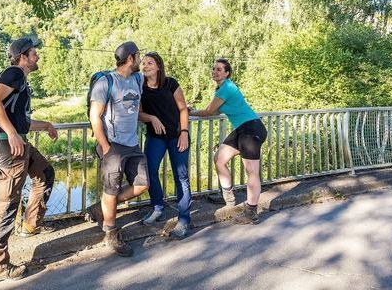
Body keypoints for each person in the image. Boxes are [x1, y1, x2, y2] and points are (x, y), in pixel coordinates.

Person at [0, 37, 59, 282]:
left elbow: (22, 121)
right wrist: (11, 134)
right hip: (9, 148)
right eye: (34, 52)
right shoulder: (14, 73)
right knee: (6, 205)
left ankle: (30, 225)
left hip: (20, 143)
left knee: (45, 174)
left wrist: (45, 125)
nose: (37, 56)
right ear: (23, 57)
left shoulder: (21, 81)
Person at [86, 41, 149, 257]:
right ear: (130, 58)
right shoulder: (106, 82)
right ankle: (110, 233)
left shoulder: (137, 79)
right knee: (111, 189)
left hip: (132, 143)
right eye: (139, 56)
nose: (141, 60)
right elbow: (94, 116)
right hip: (113, 146)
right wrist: (105, 147)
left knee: (142, 184)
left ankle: (99, 209)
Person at [189, 58, 267, 224]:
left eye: (219, 69)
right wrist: (194, 111)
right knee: (219, 159)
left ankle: (251, 211)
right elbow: (216, 111)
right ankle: (228, 198)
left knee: (251, 171)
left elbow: (209, 111)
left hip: (252, 129)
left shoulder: (227, 87)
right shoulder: (222, 88)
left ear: (227, 73)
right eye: (214, 69)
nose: (215, 72)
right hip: (242, 129)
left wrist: (189, 112)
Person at [138, 52, 192, 239]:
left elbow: (183, 109)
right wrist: (151, 118)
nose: (145, 66)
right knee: (149, 172)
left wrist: (184, 133)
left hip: (177, 136)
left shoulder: (171, 83)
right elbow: (139, 114)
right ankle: (158, 207)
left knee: (181, 177)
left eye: (150, 63)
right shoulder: (140, 87)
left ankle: (184, 220)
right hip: (155, 138)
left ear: (158, 66)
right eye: (143, 63)